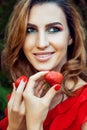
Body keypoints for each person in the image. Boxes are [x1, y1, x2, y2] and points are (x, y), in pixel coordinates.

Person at [0, 0, 87, 129]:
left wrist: (34, 124)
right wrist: (14, 126)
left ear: (70, 36)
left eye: (53, 29)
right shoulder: (20, 100)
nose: (41, 43)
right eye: (30, 30)